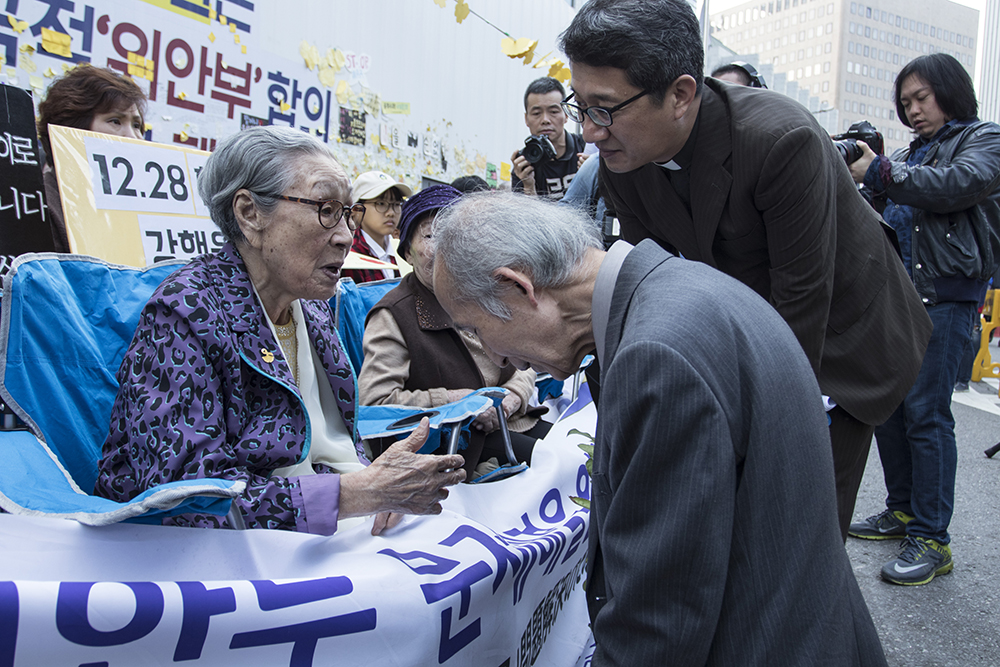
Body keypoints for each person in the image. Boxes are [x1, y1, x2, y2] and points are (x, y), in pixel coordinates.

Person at [431, 191, 887, 667]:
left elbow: (659, 615)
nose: (496, 357)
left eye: (476, 329)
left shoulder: (656, 353)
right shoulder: (681, 291)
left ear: (518, 288)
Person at [559, 0, 932, 541]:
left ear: (681, 94)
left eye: (606, 108)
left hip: (839, 344)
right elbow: (654, 285)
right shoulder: (624, 160)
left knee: (799, 528)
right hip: (754, 321)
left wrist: (758, 427)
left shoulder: (780, 140)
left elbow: (803, 302)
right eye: (582, 107)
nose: (591, 133)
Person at [95, 126, 465, 535]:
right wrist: (358, 492)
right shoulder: (185, 311)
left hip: (318, 533)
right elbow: (187, 496)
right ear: (250, 214)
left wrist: (378, 486)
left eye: (346, 214)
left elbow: (339, 444)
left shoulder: (313, 309)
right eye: (326, 209)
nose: (345, 236)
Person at [846, 53, 1000, 585]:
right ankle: (904, 511)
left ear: (950, 92)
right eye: (905, 102)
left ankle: (933, 537)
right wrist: (866, 180)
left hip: (946, 298)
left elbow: (958, 185)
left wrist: (885, 171)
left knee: (927, 415)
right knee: (889, 409)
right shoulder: (914, 154)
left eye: (922, 98)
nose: (912, 110)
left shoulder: (984, 139)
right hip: (898, 297)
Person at [358, 185, 548, 479]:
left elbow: (526, 358)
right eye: (431, 235)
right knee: (556, 463)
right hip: (460, 442)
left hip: (513, 421)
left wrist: (512, 397)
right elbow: (375, 404)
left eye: (453, 235)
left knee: (580, 450)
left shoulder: (486, 294)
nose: (445, 246)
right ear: (408, 252)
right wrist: (455, 401)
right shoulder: (394, 314)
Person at [36, 64, 148, 253]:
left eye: (136, 125)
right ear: (73, 129)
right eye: (115, 121)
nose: (132, 137)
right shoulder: (41, 206)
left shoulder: (143, 205)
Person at [509, 77, 587, 200]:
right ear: (526, 119)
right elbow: (524, 218)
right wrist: (528, 186)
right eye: (536, 113)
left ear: (566, 115)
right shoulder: (524, 165)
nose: (545, 120)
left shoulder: (587, 147)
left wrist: (594, 173)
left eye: (553, 112)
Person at [340, 171, 412, 284]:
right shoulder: (349, 254)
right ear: (357, 209)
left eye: (396, 204)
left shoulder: (404, 250)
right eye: (381, 204)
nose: (391, 213)